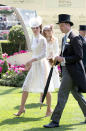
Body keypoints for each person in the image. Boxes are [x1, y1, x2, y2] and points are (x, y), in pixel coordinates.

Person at [44, 14, 86, 128]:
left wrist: (63, 59)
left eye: (62, 25)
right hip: (67, 70)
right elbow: (64, 55)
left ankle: (55, 121)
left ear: (68, 25)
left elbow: (79, 56)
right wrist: (56, 61)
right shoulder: (64, 38)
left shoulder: (75, 37)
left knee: (62, 94)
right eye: (60, 25)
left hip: (73, 72)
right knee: (77, 95)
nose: (61, 28)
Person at [14, 16, 54, 117]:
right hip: (34, 65)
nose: (35, 29)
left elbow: (44, 55)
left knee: (46, 89)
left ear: (40, 28)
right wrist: (29, 64)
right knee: (25, 87)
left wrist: (32, 60)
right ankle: (21, 108)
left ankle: (49, 109)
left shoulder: (42, 39)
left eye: (36, 27)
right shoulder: (33, 38)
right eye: (33, 28)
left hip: (42, 66)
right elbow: (34, 53)